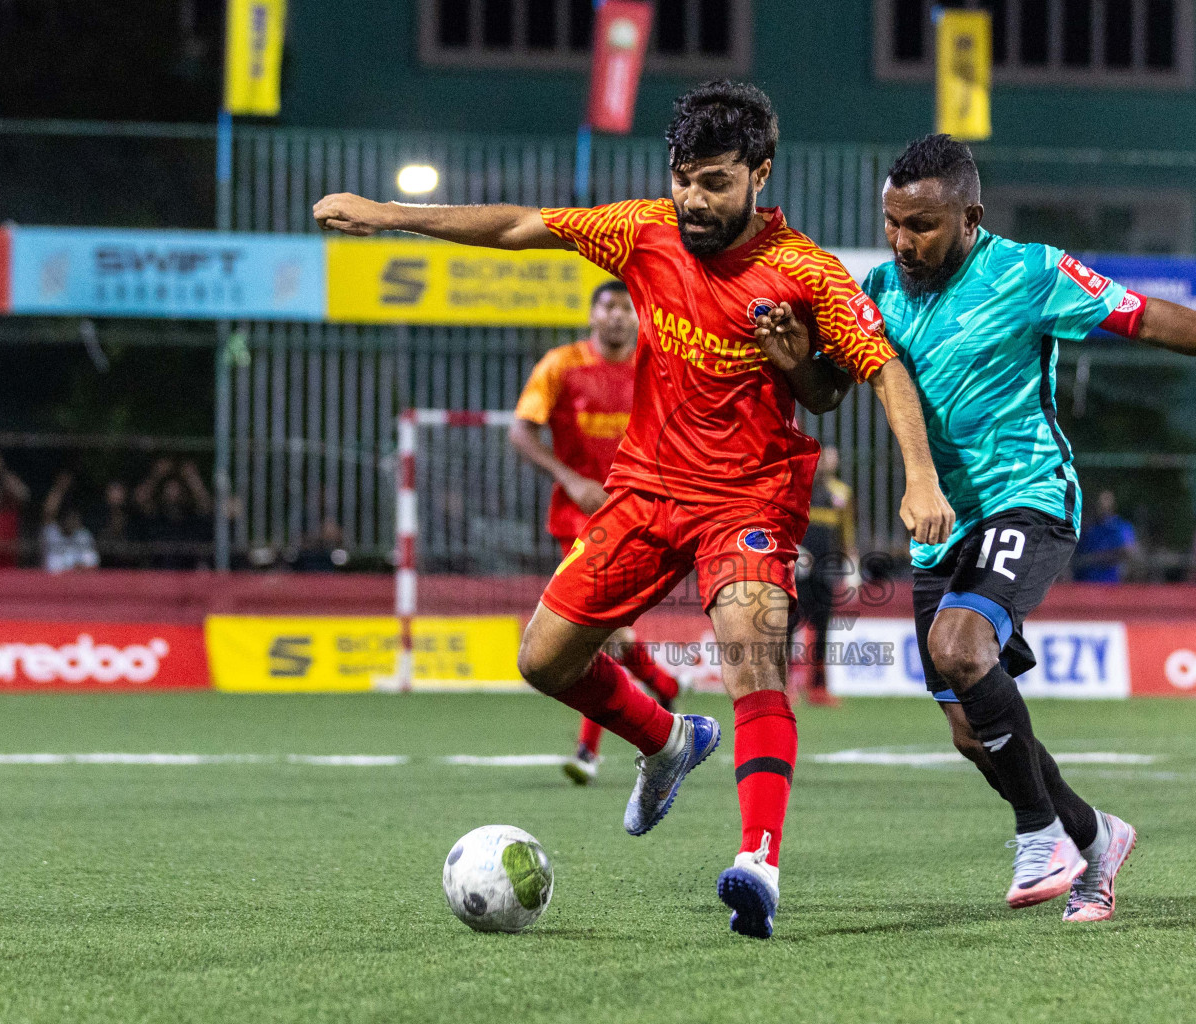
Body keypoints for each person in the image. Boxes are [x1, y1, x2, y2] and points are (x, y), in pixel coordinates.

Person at [315, 81, 953, 940]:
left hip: (751, 497)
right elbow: (516, 227)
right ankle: (665, 742)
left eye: (716, 182)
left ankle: (758, 862)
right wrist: (390, 215)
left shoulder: (806, 272)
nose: (694, 199)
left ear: (760, 174)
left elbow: (875, 368)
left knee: (752, 659)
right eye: (684, 177)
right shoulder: (643, 228)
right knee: (543, 661)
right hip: (646, 488)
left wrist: (921, 478)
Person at [862, 134, 1196, 922]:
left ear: (970, 216)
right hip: (939, 528)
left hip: (1029, 497)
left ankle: (1038, 833)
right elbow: (825, 383)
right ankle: (1095, 838)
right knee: (974, 736)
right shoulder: (878, 288)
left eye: (922, 226)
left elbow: (1144, 319)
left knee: (958, 648)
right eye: (893, 223)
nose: (903, 243)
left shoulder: (1032, 272)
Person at [508, 278, 683, 785]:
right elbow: (521, 431)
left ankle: (636, 707)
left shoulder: (656, 364)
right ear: (591, 316)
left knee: (603, 631)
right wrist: (571, 479)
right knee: (599, 628)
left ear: (639, 317)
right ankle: (649, 692)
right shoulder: (561, 365)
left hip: (641, 513)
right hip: (580, 517)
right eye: (607, 306)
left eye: (627, 308)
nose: (617, 316)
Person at [795, 445, 855, 707]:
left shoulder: (841, 493)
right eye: (824, 457)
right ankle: (784, 686)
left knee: (822, 630)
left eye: (832, 457)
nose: (828, 462)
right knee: (787, 626)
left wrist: (853, 564)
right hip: (799, 567)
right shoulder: (800, 488)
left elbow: (847, 532)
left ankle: (818, 688)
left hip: (826, 570)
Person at [134, 459, 212, 570]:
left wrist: (192, 478)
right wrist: (157, 474)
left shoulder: (190, 515)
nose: (173, 493)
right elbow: (140, 498)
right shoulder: (157, 514)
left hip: (188, 569)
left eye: (176, 489)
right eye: (169, 488)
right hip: (159, 568)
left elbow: (206, 505)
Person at [40, 470, 99, 574]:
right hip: (54, 584)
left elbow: (92, 564)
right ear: (62, 519)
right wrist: (60, 488)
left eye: (74, 518)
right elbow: (48, 513)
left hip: (80, 584)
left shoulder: (83, 535)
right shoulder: (51, 532)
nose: (71, 521)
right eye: (68, 518)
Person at [1071, 489, 1136, 583]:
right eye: (1100, 502)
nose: (1102, 506)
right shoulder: (1089, 527)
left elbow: (1128, 551)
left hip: (1111, 583)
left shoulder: (1122, 527)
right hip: (1085, 582)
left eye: (1106, 502)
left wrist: (1097, 558)